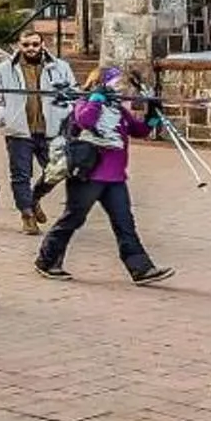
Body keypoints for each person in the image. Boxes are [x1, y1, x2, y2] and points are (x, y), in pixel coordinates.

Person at [33, 65, 172, 285]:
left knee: (125, 224)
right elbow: (85, 121)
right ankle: (47, 260)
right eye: (116, 84)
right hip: (89, 175)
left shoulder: (118, 111)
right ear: (101, 84)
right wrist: (97, 98)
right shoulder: (84, 102)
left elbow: (142, 131)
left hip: (115, 178)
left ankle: (141, 269)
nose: (120, 89)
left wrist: (154, 114)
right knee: (73, 219)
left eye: (121, 85)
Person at [0, 25, 75, 233]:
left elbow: (72, 93)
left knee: (58, 169)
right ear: (19, 46)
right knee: (20, 175)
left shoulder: (60, 67)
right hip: (19, 130)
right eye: (26, 45)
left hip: (50, 130)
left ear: (42, 44)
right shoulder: (3, 69)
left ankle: (33, 199)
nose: (31, 48)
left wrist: (65, 111)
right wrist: (3, 116)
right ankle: (27, 215)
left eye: (35, 44)